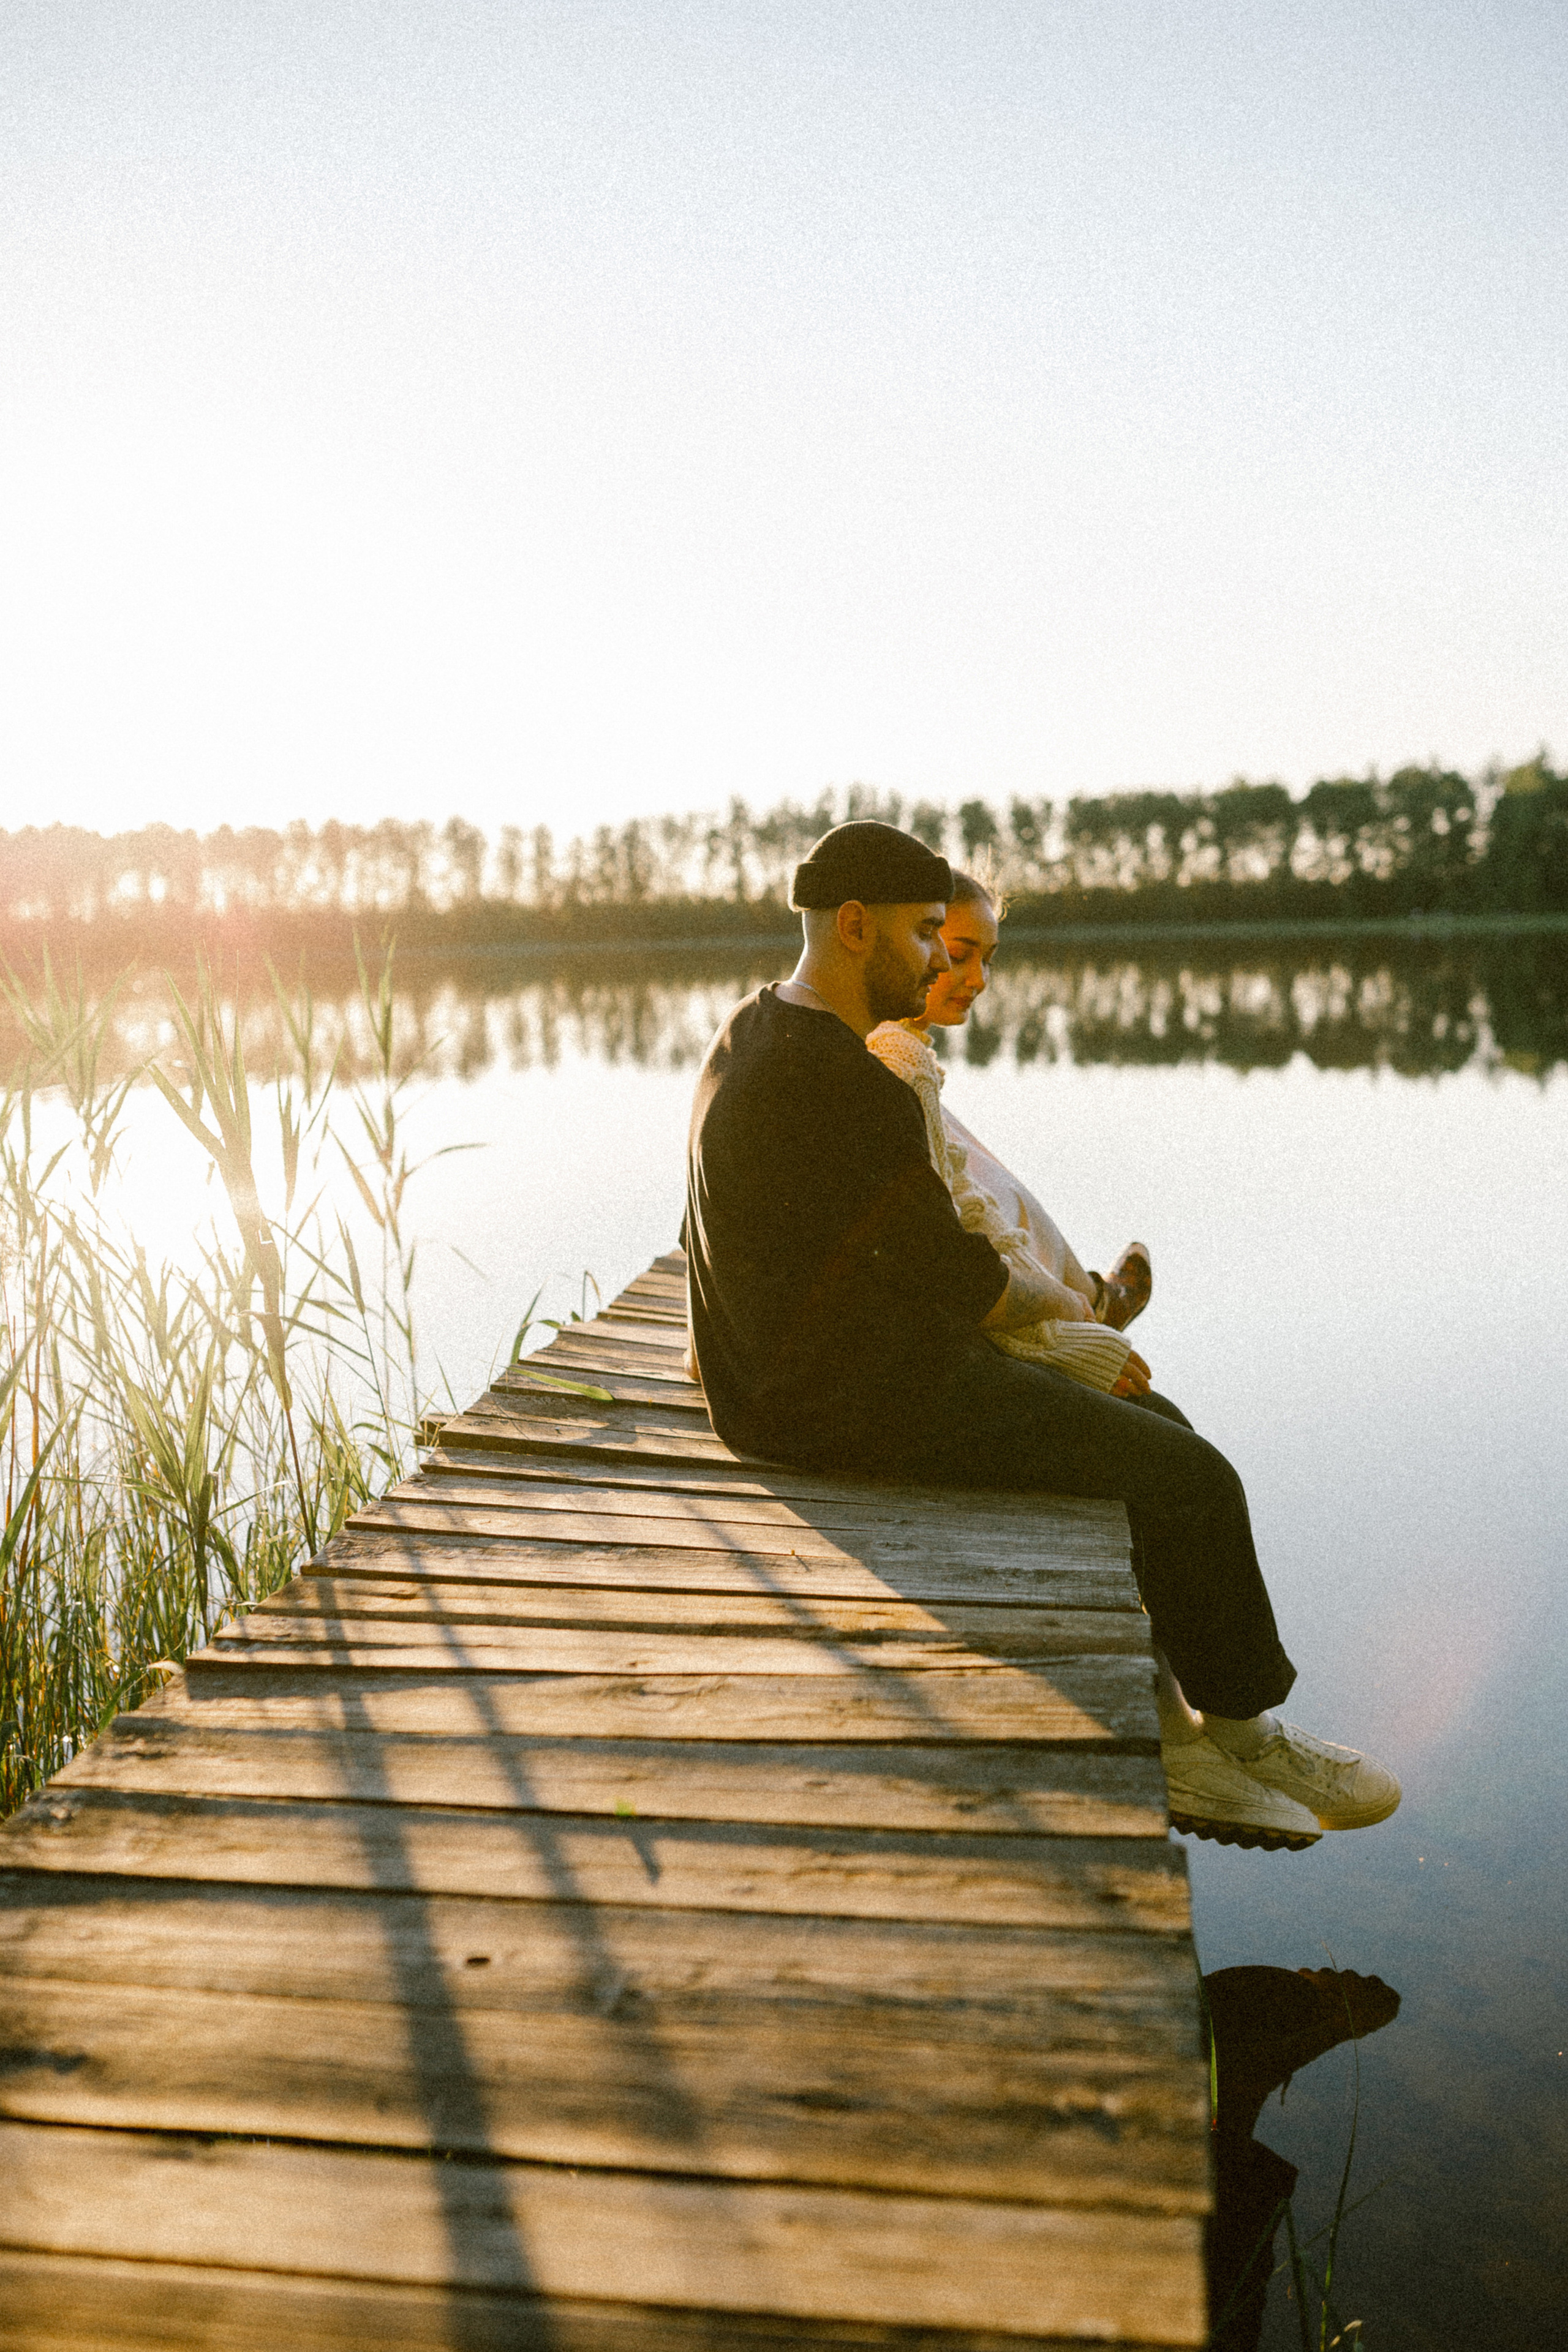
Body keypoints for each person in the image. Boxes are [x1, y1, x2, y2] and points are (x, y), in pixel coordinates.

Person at [684, 819, 1401, 1850]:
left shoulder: (752, 1031)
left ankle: (1214, 1728)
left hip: (802, 1379)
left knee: (1161, 1425)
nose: (939, 957)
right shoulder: (841, 1080)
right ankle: (1225, 1742)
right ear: (854, 926)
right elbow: (964, 1284)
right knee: (1193, 1480)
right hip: (839, 1403)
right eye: (929, 932)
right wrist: (1074, 1327)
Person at [865, 870, 1149, 1398]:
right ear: (914, 943)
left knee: (979, 1172)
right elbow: (952, 1258)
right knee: (996, 1190)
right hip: (905, 1357)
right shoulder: (892, 1058)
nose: (978, 979)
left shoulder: (898, 1052)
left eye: (988, 959)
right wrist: (1064, 1336)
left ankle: (1091, 1299)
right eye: (960, 952)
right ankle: (1094, 1303)